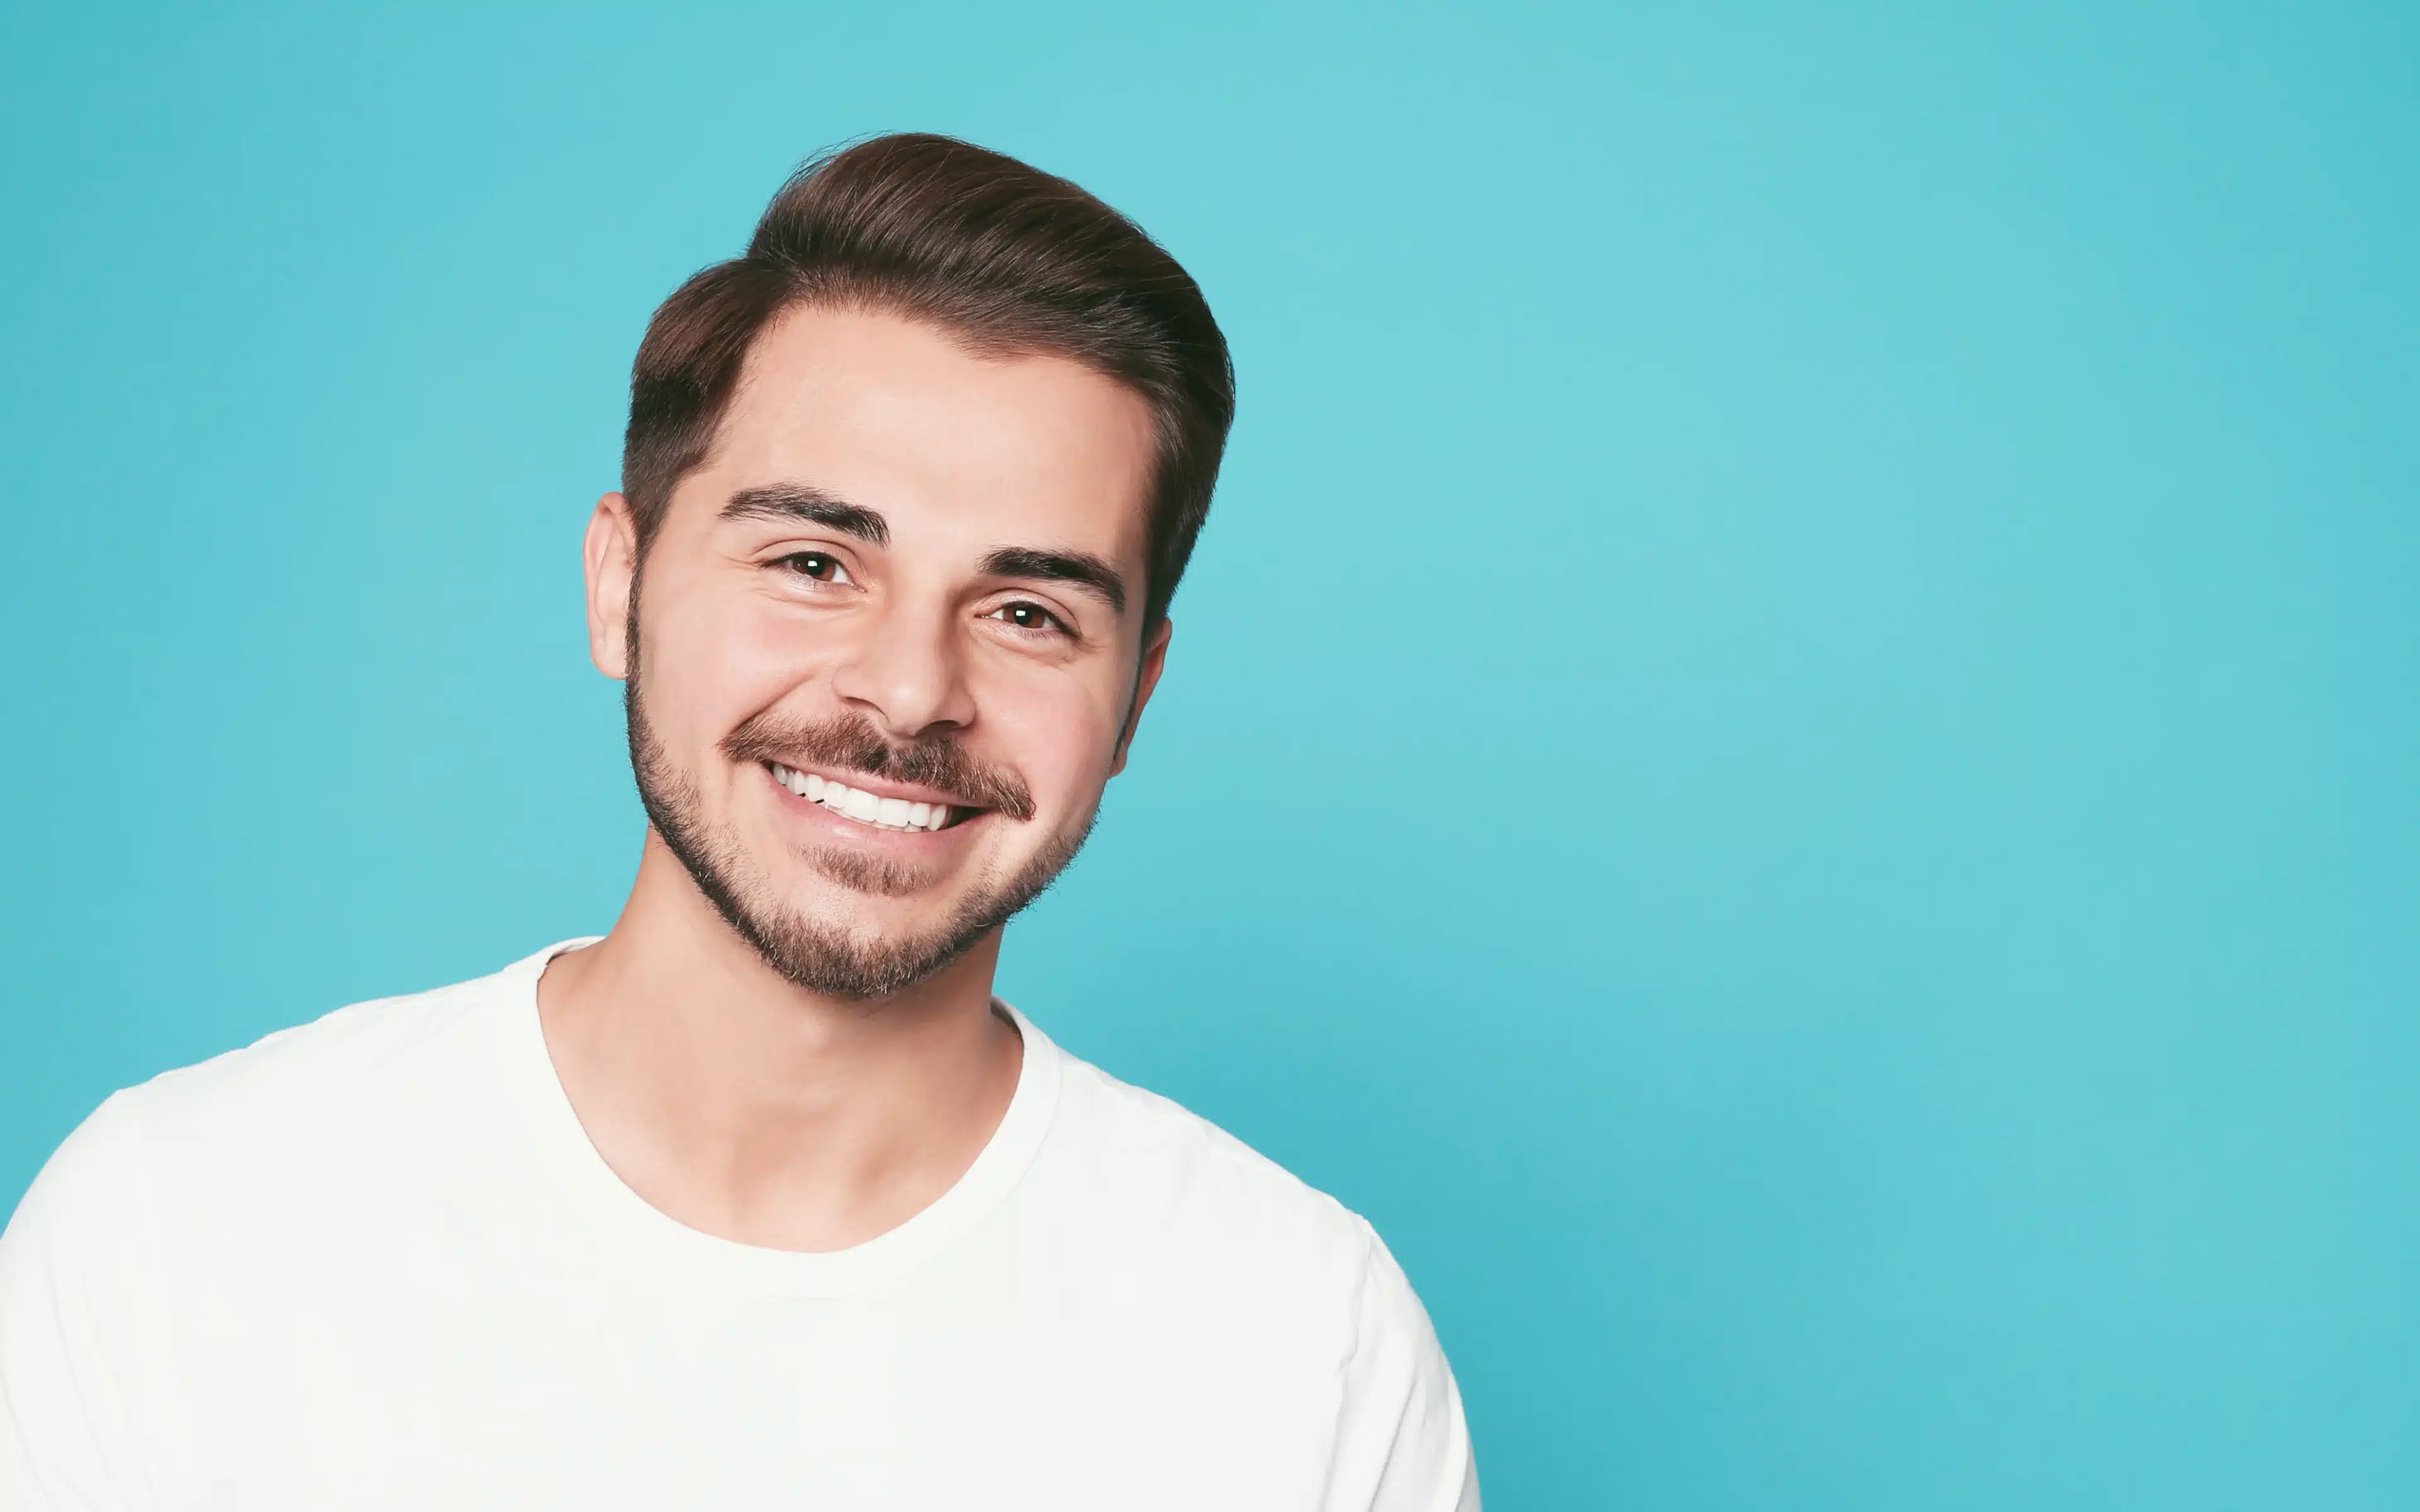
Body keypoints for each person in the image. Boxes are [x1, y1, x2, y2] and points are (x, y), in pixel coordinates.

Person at [0, 134, 1478, 1509]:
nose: (910, 694)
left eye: (1029, 611)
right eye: (815, 562)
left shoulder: (1303, 1339)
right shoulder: (176, 1230)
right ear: (618, 586)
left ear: (1138, 695)